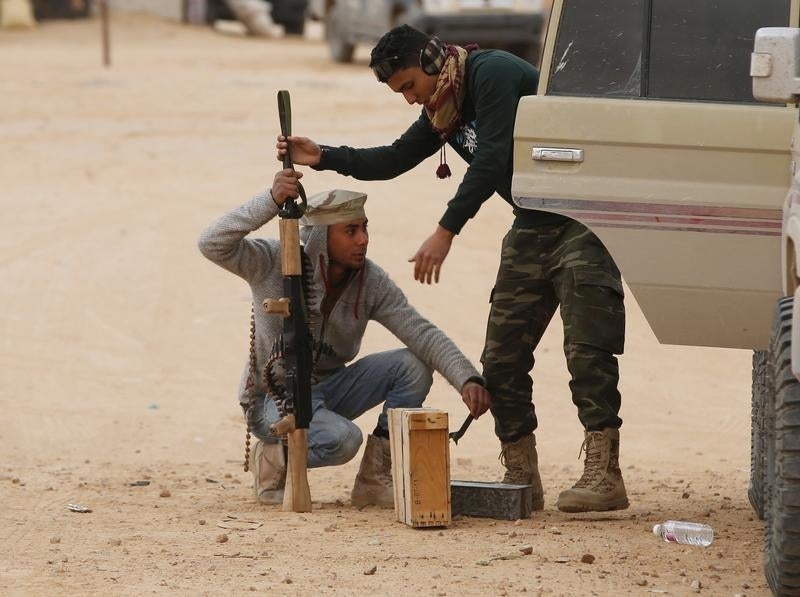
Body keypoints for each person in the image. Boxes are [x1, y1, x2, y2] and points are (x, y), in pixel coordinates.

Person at [276, 25, 628, 513]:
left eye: (409, 86)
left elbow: (492, 157)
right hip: (533, 221)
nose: (410, 99)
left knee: (587, 347)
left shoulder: (492, 73)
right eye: (400, 92)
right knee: (501, 359)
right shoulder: (445, 108)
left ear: (431, 59)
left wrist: (446, 230)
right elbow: (394, 158)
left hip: (583, 218)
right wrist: (324, 157)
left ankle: (604, 473)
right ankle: (522, 474)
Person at [198, 168, 490, 507]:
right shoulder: (273, 261)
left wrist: (466, 378)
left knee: (412, 366)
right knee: (343, 440)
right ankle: (274, 456)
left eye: (364, 228)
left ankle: (374, 480)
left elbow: (420, 332)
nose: (363, 240)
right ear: (322, 237)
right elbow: (212, 242)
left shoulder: (371, 281)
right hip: (272, 398)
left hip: (330, 388)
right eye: (350, 231)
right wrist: (271, 200)